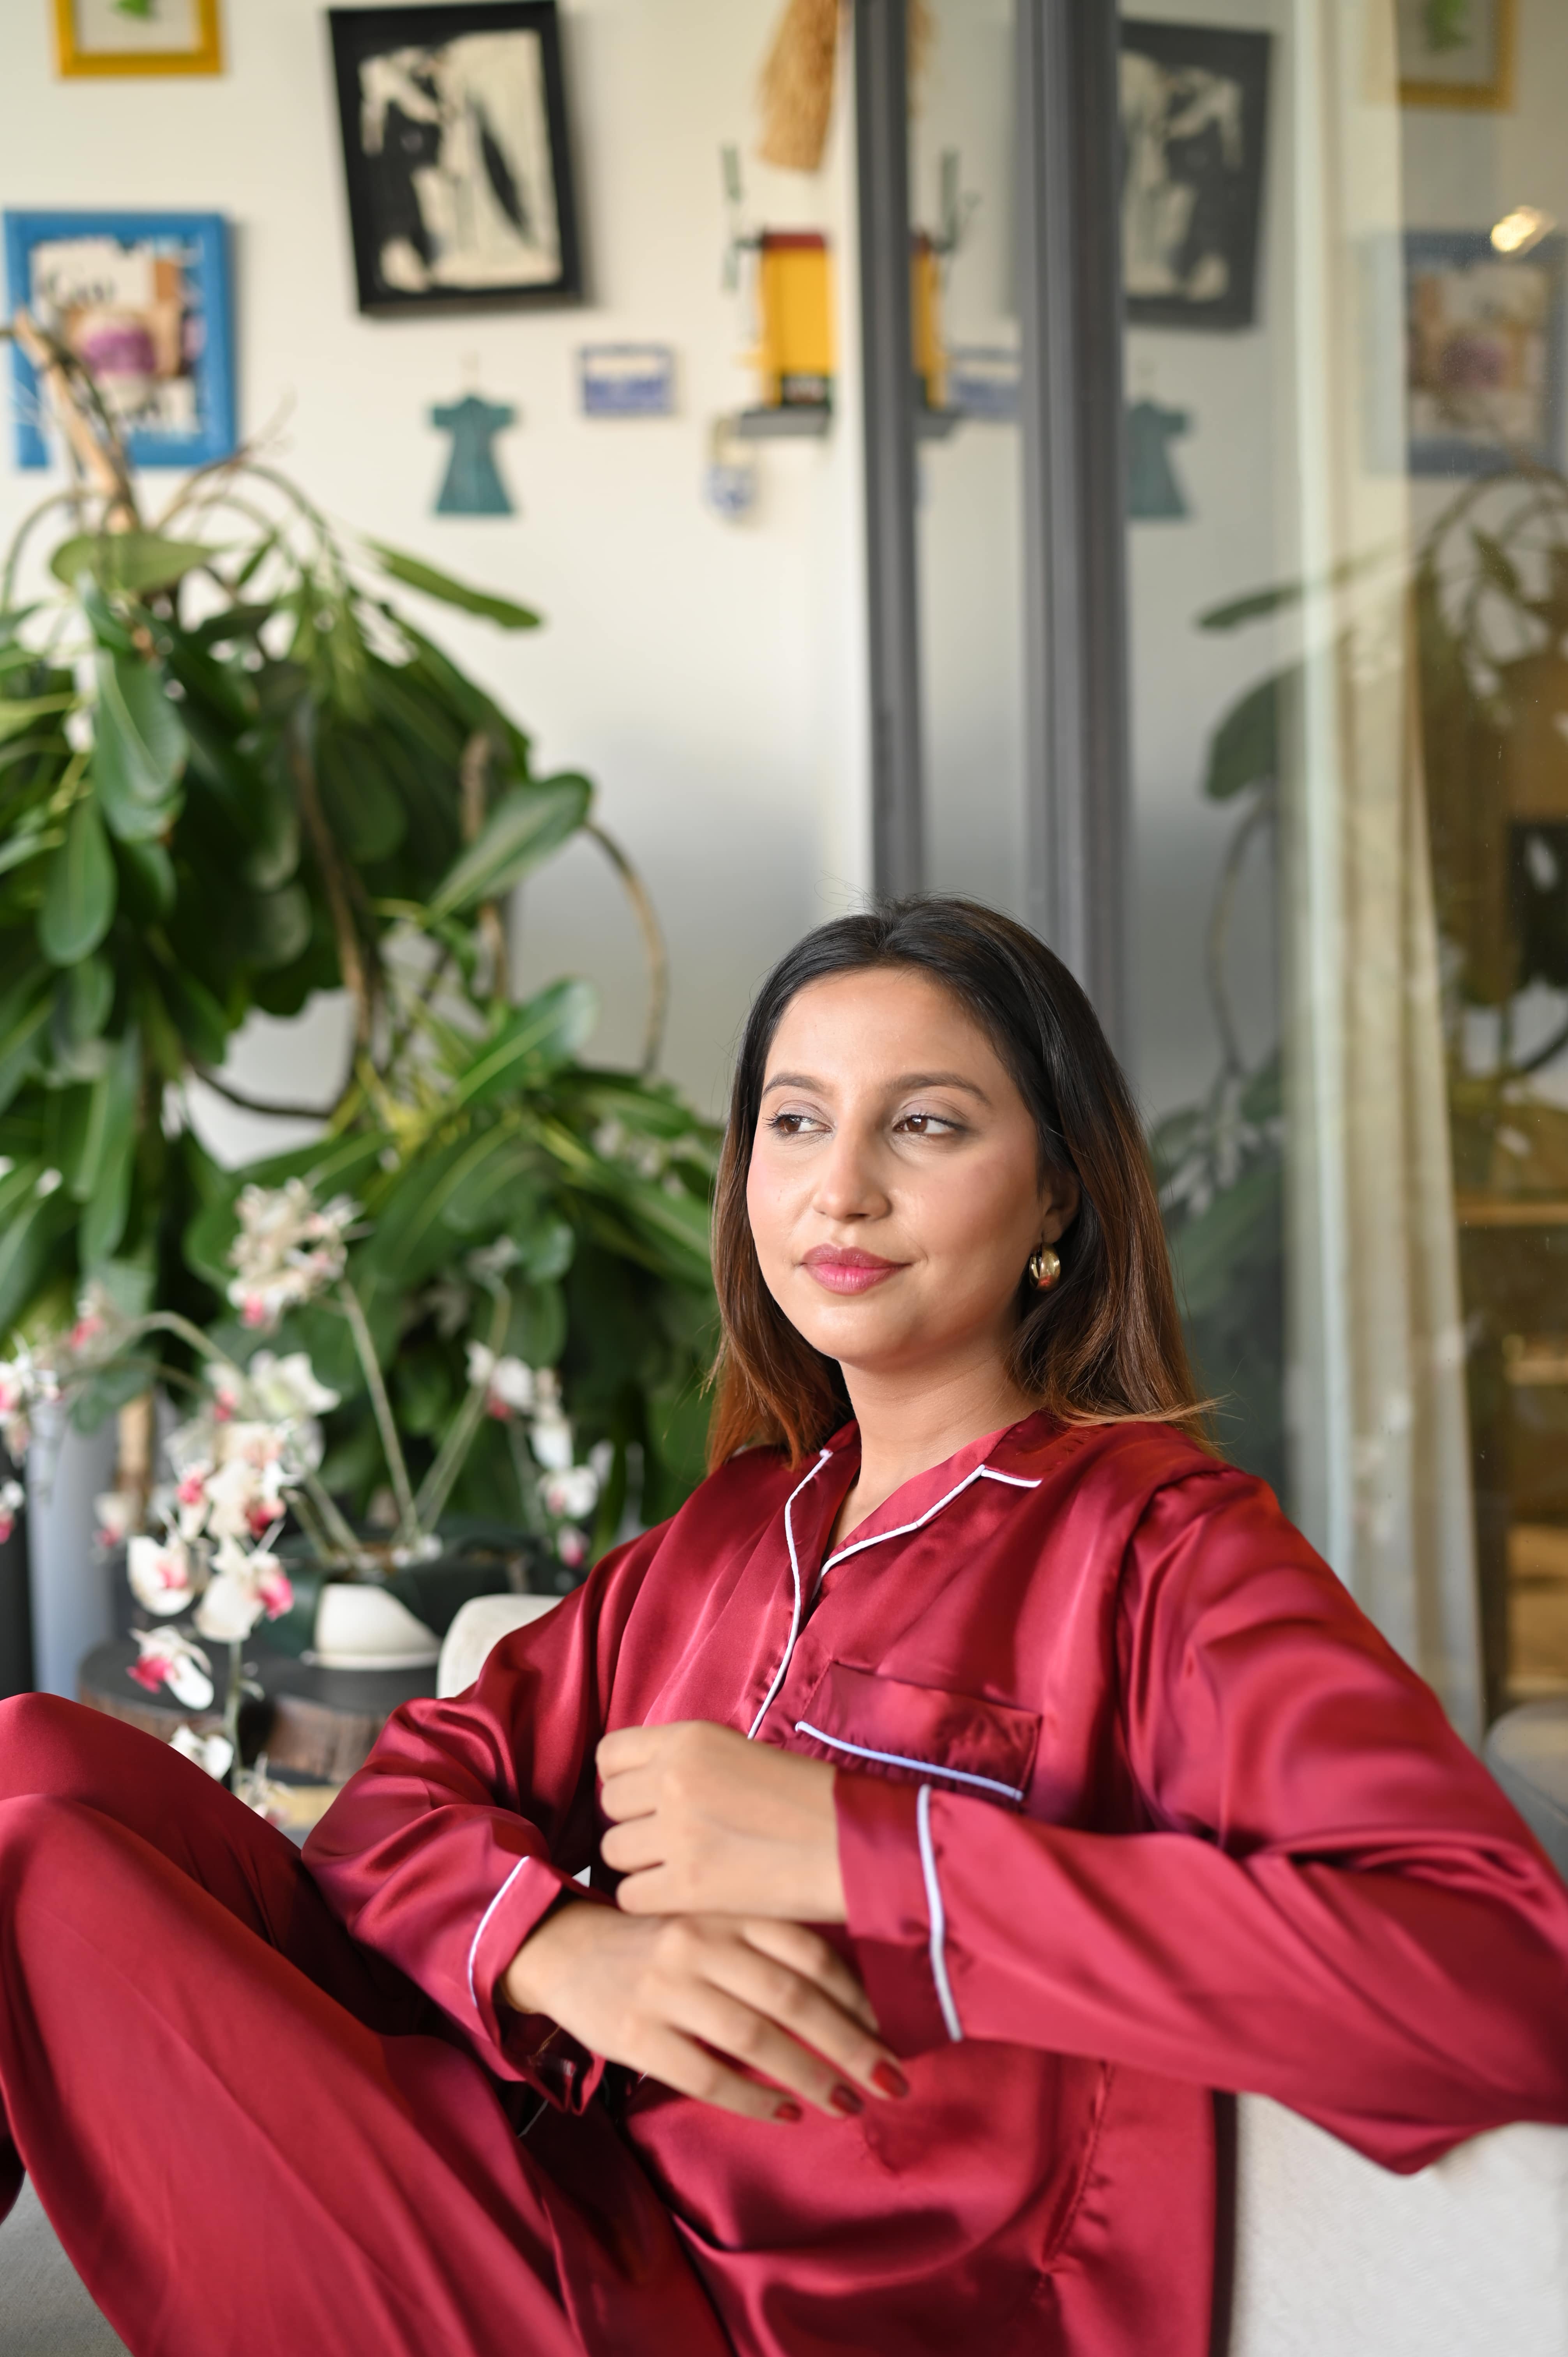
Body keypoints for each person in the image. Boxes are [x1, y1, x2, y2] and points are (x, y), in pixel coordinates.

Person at [2, 896, 1566, 2357]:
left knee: (42, 1866)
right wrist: (562, 1947)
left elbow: (1496, 1984)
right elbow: (390, 1815)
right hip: (546, 2193)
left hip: (730, 2327)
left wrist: (865, 1855)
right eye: (796, 1122)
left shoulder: (1157, 1548)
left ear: (1058, 1194)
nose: (842, 1188)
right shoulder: (729, 1535)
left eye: (928, 1126)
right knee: (34, 1763)